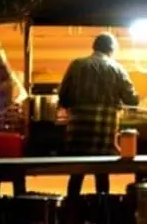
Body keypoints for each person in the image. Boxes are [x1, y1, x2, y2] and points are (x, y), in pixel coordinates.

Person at [58, 32, 139, 198]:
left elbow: (63, 96)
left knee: (76, 172)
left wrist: (74, 107)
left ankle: (71, 206)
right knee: (102, 172)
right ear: (112, 49)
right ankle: (103, 206)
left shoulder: (77, 65)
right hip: (104, 130)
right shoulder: (117, 69)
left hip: (79, 128)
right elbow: (131, 99)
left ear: (94, 47)